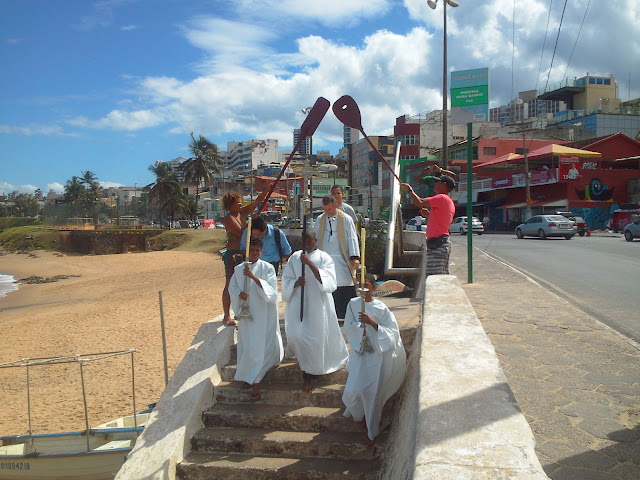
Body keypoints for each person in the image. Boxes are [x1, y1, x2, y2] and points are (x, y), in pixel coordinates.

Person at [282, 230, 349, 393]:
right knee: (296, 337)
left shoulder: (324, 258)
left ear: (316, 240)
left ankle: (308, 376)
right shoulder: (294, 258)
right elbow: (286, 280)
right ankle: (308, 370)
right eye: (306, 241)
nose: (309, 244)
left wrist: (310, 264)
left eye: (311, 241)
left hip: (319, 307)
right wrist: (296, 283)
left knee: (315, 341)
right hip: (299, 304)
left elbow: (330, 282)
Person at [342, 273, 406, 443]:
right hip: (359, 353)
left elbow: (392, 333)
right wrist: (358, 327)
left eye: (367, 285)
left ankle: (371, 427)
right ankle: (359, 414)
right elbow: (347, 327)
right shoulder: (353, 304)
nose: (363, 288)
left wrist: (372, 323)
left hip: (375, 357)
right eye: (360, 284)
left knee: (371, 392)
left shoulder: (381, 309)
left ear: (373, 287)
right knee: (354, 388)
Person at [228, 237, 283, 400]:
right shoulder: (238, 269)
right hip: (247, 315)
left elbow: (272, 292)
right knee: (248, 346)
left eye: (257, 250)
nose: (254, 253)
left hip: (263, 315)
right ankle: (249, 376)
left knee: (260, 348)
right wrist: (239, 294)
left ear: (261, 251)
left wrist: (253, 277)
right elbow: (232, 287)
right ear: (246, 251)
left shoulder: (267, 268)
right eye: (251, 250)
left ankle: (256, 384)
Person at [221, 189, 270, 326]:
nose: (240, 205)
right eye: (237, 203)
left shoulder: (240, 213)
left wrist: (267, 188)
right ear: (230, 205)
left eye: (241, 203)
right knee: (229, 284)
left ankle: (240, 310)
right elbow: (241, 232)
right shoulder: (229, 218)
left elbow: (257, 202)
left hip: (243, 252)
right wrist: (251, 221)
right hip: (232, 254)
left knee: (243, 282)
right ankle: (226, 315)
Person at [314, 195, 360, 319]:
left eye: (329, 209)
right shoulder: (320, 219)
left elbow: (352, 237)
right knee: (328, 284)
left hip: (342, 258)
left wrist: (354, 256)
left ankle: (347, 314)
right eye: (325, 209)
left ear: (335, 205)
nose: (327, 212)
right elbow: (316, 237)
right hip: (325, 259)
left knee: (345, 283)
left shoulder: (346, 219)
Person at [400, 172, 455, 276]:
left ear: (444, 184)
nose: (434, 184)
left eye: (437, 182)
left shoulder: (442, 198)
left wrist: (409, 190)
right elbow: (442, 220)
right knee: (437, 275)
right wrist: (430, 215)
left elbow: (419, 202)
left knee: (435, 276)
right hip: (439, 243)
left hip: (438, 244)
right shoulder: (447, 201)